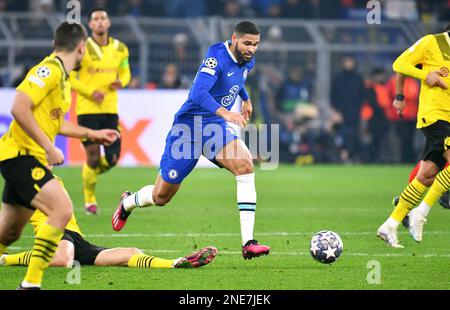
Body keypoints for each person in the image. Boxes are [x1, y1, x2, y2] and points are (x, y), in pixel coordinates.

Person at [112, 21, 270, 260]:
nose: (252, 49)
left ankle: (248, 242)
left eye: (256, 44)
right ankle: (127, 203)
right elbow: (197, 93)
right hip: (188, 129)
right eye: (247, 43)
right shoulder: (216, 57)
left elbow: (237, 80)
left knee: (245, 166)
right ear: (234, 38)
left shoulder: (248, 59)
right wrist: (226, 113)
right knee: (161, 197)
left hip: (214, 128)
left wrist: (245, 99)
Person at [0, 22, 119, 290]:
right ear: (81, 48)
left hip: (25, 157)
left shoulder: (62, 78)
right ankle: (30, 284)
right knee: (62, 209)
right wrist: (49, 146)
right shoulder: (49, 70)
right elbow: (19, 107)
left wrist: (92, 133)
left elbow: (57, 122)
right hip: (20, 154)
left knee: (8, 232)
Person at [377, 29, 450, 248]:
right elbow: (400, 64)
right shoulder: (432, 42)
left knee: (426, 175)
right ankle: (421, 212)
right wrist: (422, 78)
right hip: (434, 115)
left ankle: (390, 224)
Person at [1, 206, 217, 270]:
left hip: (78, 239)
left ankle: (174, 263)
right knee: (63, 260)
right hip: (55, 233)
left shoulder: (52, 181)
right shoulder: (25, 185)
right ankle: (5, 259)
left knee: (131, 253)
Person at [70, 7, 131, 215]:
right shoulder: (81, 48)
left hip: (110, 109)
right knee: (93, 156)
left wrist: (121, 81)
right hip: (87, 110)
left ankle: (90, 176)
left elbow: (126, 71)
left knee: (113, 159)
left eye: (103, 18)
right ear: (90, 25)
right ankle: (89, 199)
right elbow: (69, 78)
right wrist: (89, 91)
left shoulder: (120, 48)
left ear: (109, 22)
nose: (99, 22)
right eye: (95, 19)